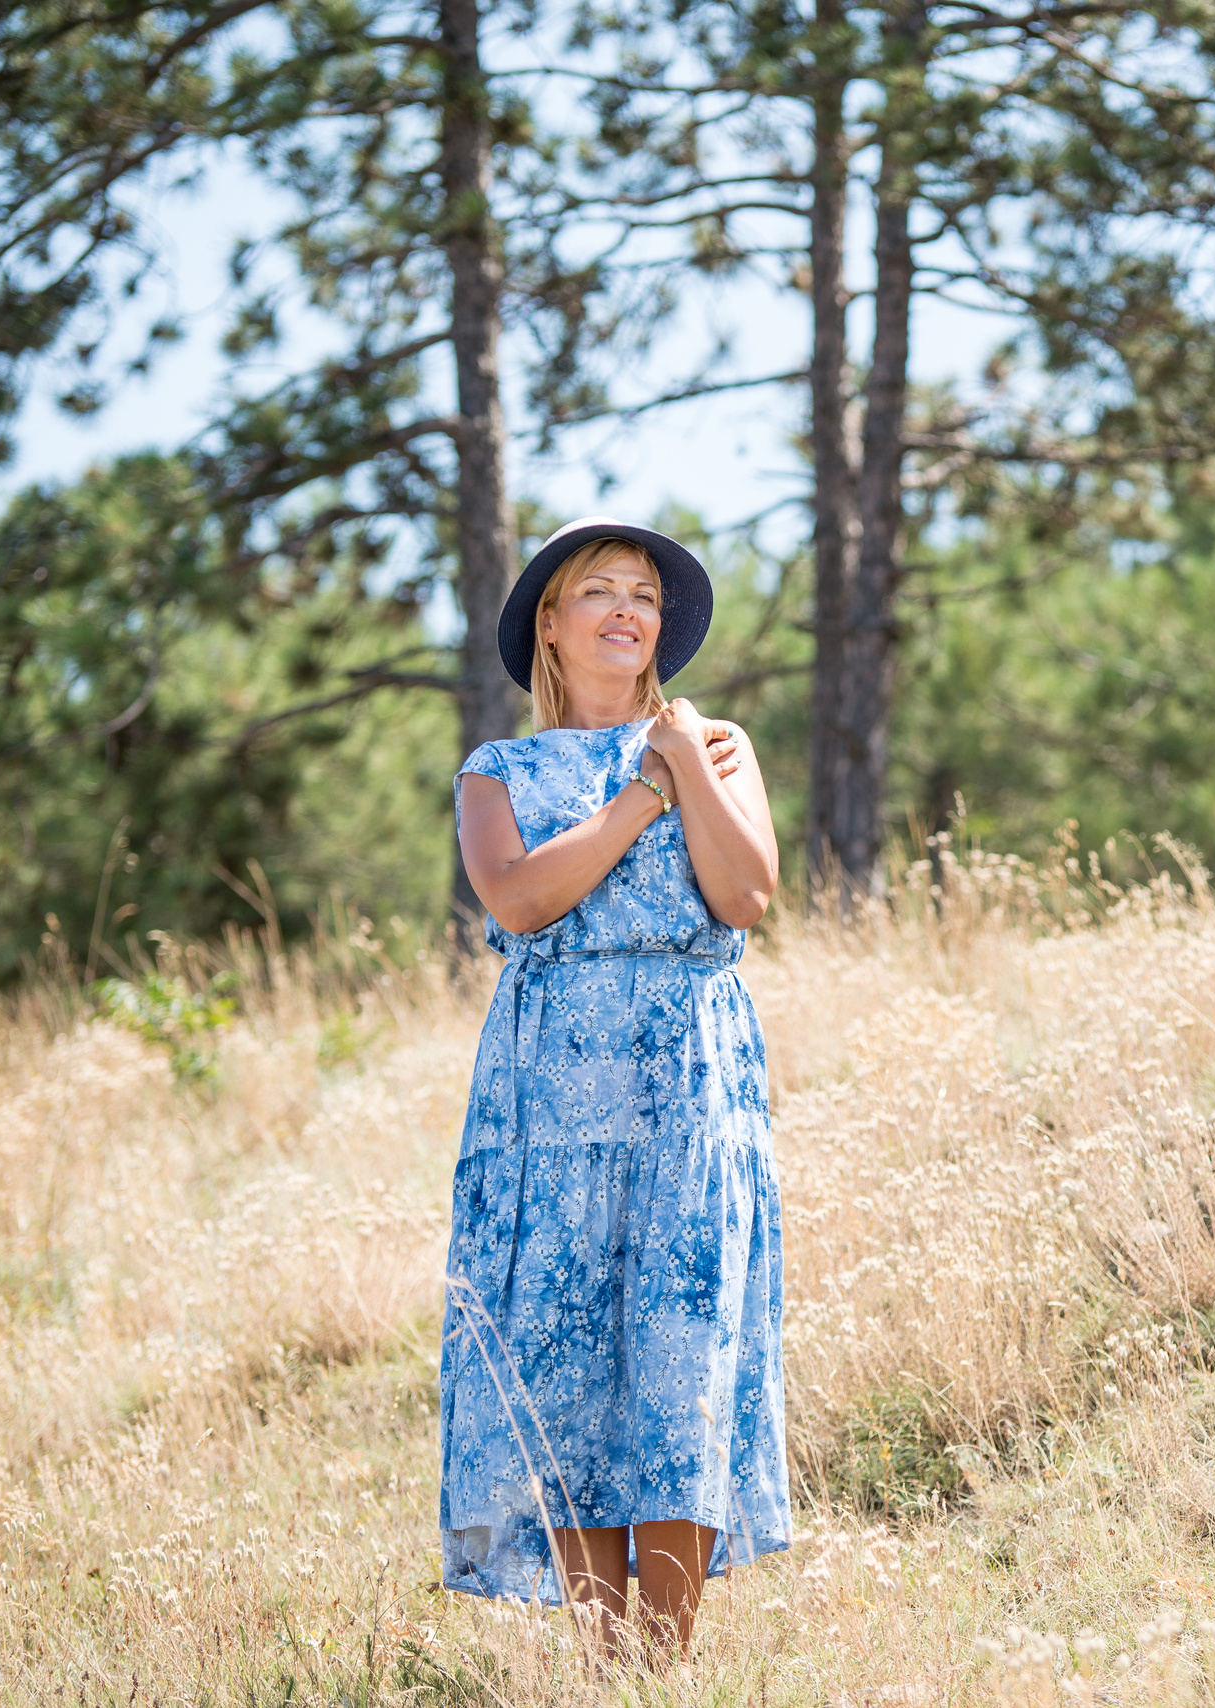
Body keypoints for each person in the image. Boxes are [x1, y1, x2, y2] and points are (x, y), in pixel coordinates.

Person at [438, 517, 790, 1658]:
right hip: (545, 1102)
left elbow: (746, 896)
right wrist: (641, 797)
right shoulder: (497, 772)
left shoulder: (720, 745)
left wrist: (684, 761)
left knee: (679, 1350)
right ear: (551, 622)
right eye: (597, 591)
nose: (626, 611)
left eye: (643, 594)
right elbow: (522, 899)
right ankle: (605, 1666)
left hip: (688, 1086)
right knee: (563, 1359)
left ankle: (666, 1665)